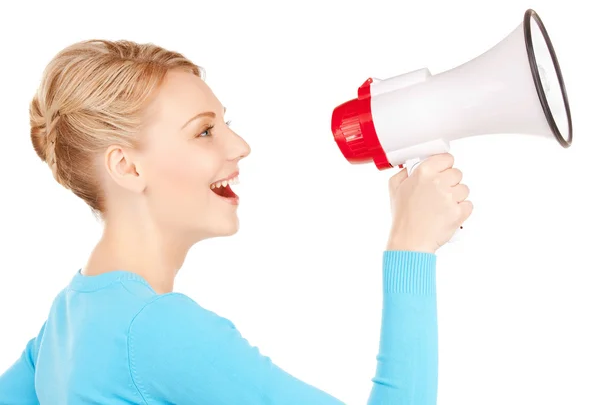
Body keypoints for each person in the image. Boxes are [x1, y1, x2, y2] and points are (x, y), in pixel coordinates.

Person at [0, 40, 472, 404]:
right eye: (204, 131)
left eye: (226, 123)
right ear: (127, 167)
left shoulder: (67, 319)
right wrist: (412, 246)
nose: (240, 146)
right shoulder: (156, 328)